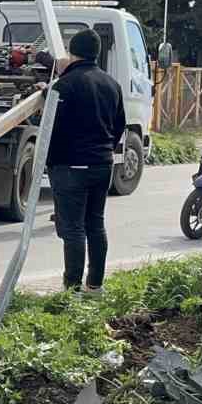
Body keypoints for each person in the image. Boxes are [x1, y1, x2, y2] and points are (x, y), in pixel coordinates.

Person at [43, 29, 125, 293]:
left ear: (72, 52)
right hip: (102, 164)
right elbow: (119, 124)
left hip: (71, 166)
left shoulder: (64, 86)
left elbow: (51, 123)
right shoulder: (112, 84)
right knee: (95, 225)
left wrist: (45, 95)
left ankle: (72, 290)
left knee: (73, 229)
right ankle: (95, 286)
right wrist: (104, 151)